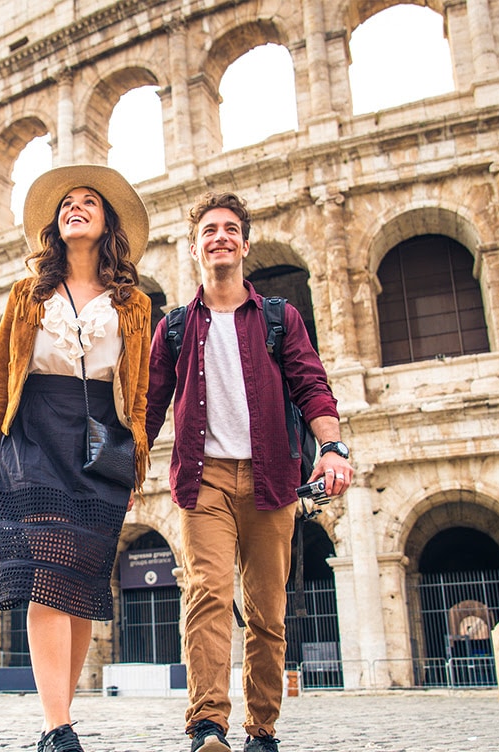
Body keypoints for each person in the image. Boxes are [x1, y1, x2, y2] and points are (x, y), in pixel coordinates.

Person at [0, 164, 152, 752]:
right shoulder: (27, 294)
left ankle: (62, 714)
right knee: (45, 577)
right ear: (54, 225)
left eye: (89, 202)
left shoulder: (133, 304)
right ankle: (56, 726)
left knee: (81, 581)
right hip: (33, 436)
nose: (75, 207)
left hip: (99, 440)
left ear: (107, 222)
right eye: (66, 203)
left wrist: (133, 463)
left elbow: (136, 393)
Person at [145, 192, 354, 752]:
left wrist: (334, 450)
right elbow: (146, 409)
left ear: (244, 243)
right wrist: (115, 464)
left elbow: (313, 386)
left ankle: (262, 729)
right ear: (195, 248)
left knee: (267, 612)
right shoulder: (172, 328)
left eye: (231, 229)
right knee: (206, 594)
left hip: (272, 480)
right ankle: (207, 724)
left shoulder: (280, 319)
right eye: (209, 229)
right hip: (203, 477)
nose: (220, 237)